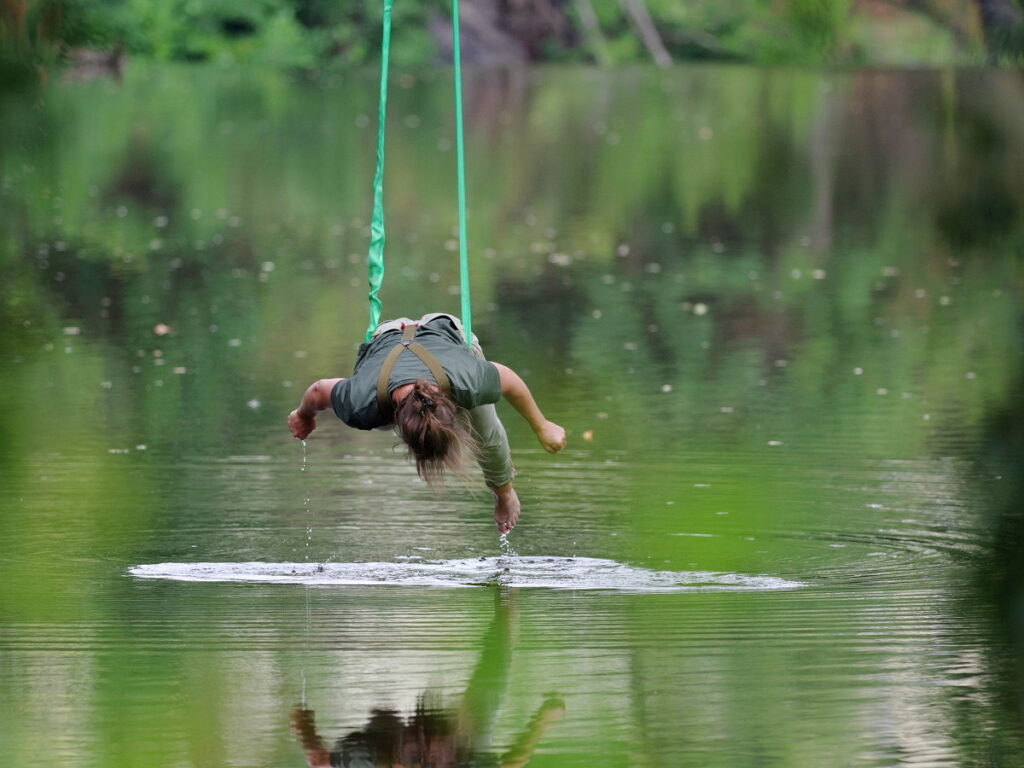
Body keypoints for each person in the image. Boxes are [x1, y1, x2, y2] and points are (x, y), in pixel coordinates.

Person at [287, 312, 566, 533]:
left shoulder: (465, 381)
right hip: (386, 335)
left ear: (451, 405)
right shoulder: (362, 403)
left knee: (484, 426)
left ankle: (504, 492)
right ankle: (501, 481)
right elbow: (318, 392)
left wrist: (542, 425)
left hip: (446, 330)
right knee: (374, 417)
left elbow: (508, 379)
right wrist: (303, 415)